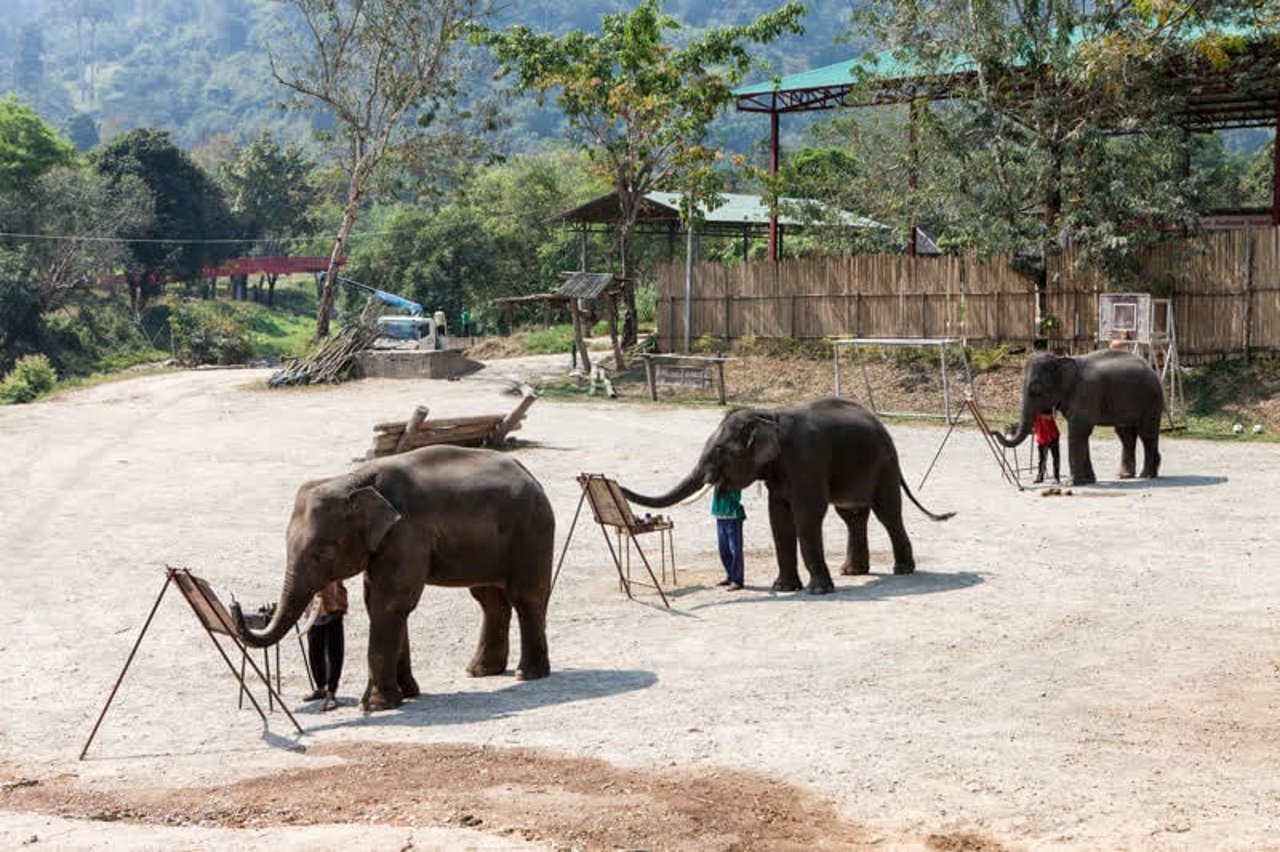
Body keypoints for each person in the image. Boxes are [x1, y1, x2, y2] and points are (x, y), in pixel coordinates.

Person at [304, 580, 347, 711]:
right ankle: (321, 688)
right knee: (314, 651)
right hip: (313, 609)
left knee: (334, 652)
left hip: (333, 605)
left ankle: (331, 692)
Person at [711, 484, 746, 591]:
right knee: (724, 550)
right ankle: (730, 575)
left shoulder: (734, 481)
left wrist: (727, 488)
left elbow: (737, 497)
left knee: (735, 550)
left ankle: (737, 580)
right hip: (720, 516)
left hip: (732, 517)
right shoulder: (717, 482)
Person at [1033, 410, 1061, 484]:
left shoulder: (1046, 408)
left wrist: (1041, 414)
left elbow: (1052, 416)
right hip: (1042, 438)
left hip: (1053, 437)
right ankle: (1040, 477)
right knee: (1042, 459)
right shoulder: (1033, 414)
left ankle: (1056, 477)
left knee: (1055, 458)